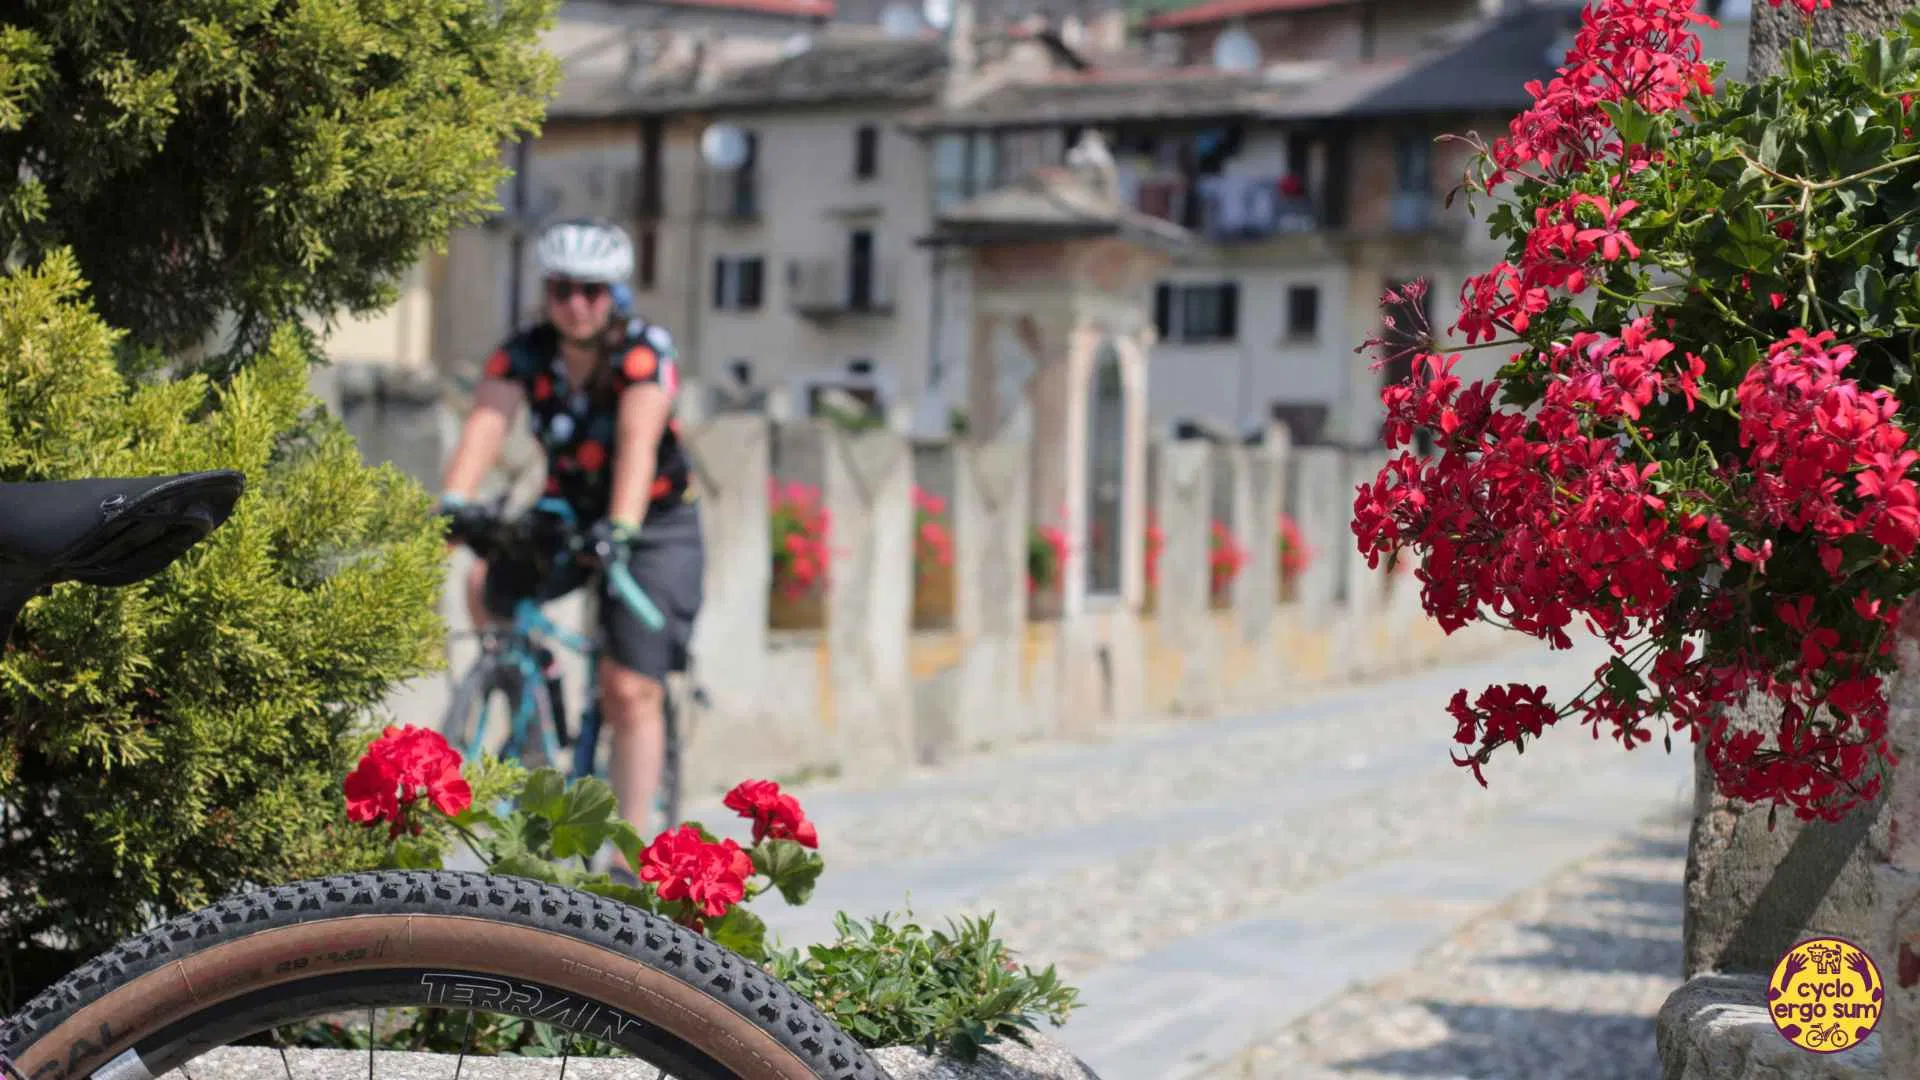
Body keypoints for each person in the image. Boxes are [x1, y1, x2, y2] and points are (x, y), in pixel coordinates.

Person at [437, 218, 702, 862]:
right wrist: (450, 508)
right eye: (562, 290)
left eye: (591, 290)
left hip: (654, 521)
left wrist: (623, 530)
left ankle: (630, 860)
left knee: (628, 687)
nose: (576, 304)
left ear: (615, 295)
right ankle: (527, 690)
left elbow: (638, 443)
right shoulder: (525, 352)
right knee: (484, 584)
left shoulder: (644, 352)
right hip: (566, 508)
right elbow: (486, 424)